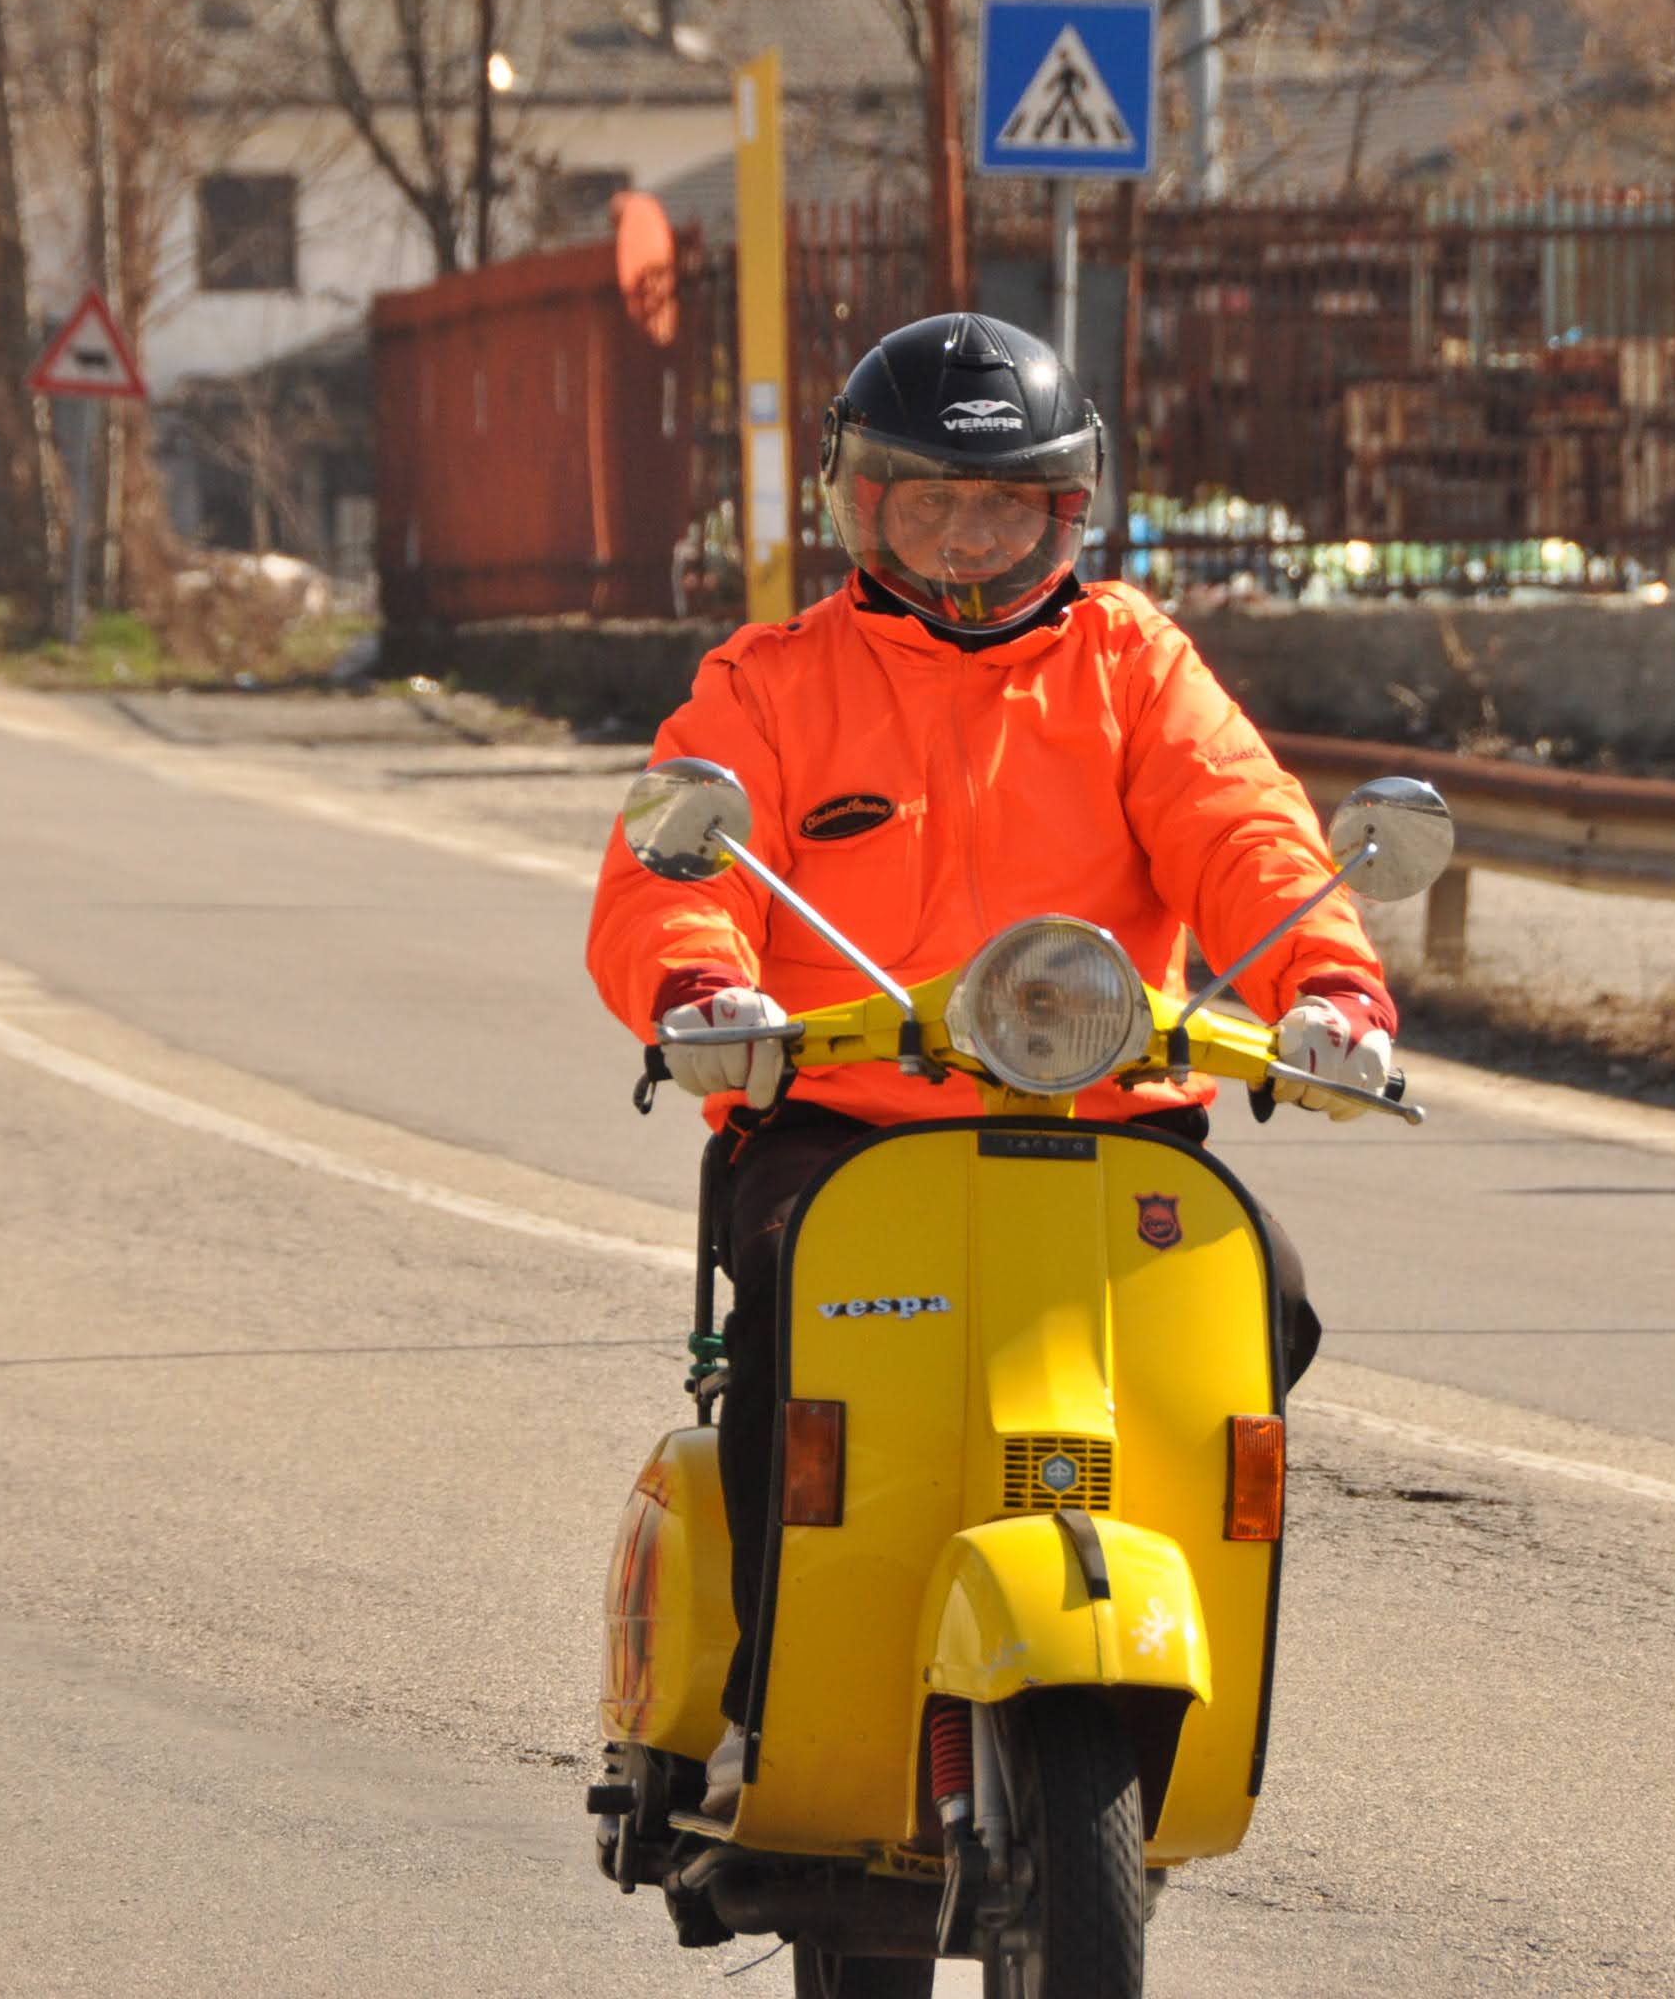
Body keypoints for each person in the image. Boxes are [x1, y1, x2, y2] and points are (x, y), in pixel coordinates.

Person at [583, 312, 1399, 1817]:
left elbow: (1245, 831)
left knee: (1267, 1298)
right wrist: (701, 987)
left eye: (1007, 504)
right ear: (863, 505)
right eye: (932, 502)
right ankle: (769, 1695)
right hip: (849, 1133)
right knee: (790, 1330)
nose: (970, 538)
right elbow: (676, 866)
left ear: (1065, 508)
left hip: (1111, 1121)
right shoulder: (770, 682)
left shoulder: (1133, 663)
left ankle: (1156, 1622)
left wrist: (1328, 982)